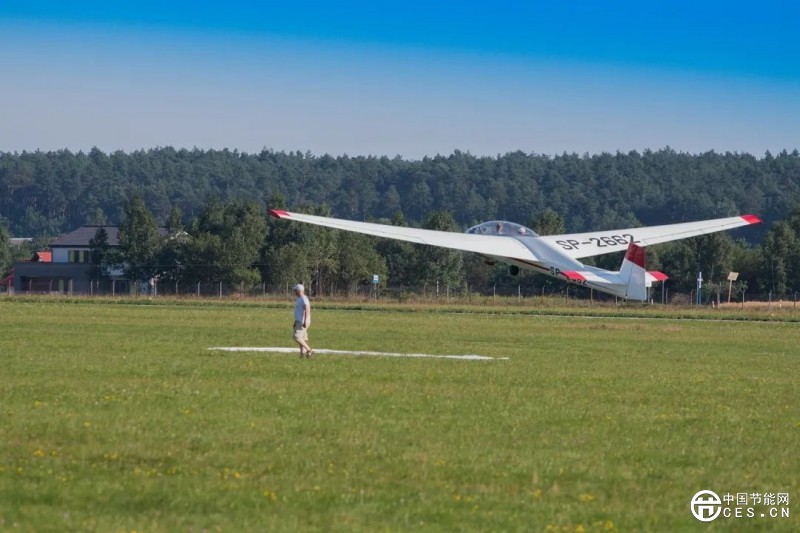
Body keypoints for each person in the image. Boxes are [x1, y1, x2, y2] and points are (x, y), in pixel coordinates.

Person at [292, 283, 314, 358]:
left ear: (299, 290)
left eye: (295, 290)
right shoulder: (299, 299)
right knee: (302, 338)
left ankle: (309, 350)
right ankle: (302, 355)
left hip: (302, 322)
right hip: (299, 321)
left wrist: (305, 321)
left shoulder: (303, 298)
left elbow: (307, 309)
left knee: (297, 337)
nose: (294, 291)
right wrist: (295, 321)